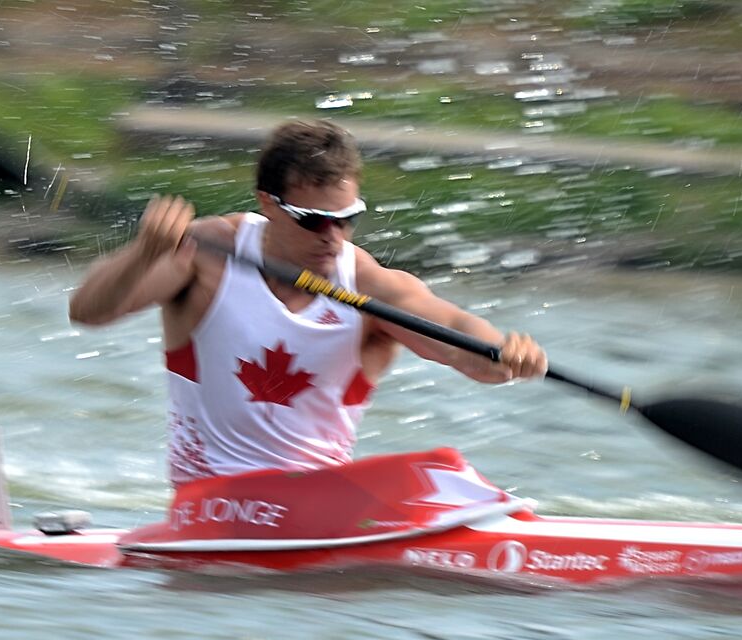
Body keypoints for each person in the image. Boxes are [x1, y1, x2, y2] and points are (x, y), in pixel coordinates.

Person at [69, 118, 547, 486]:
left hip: (318, 500)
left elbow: (460, 338)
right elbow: (89, 311)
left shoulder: (368, 284)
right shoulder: (207, 254)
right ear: (268, 204)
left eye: (346, 219)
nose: (333, 237)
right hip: (207, 500)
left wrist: (504, 356)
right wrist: (142, 255)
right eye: (314, 220)